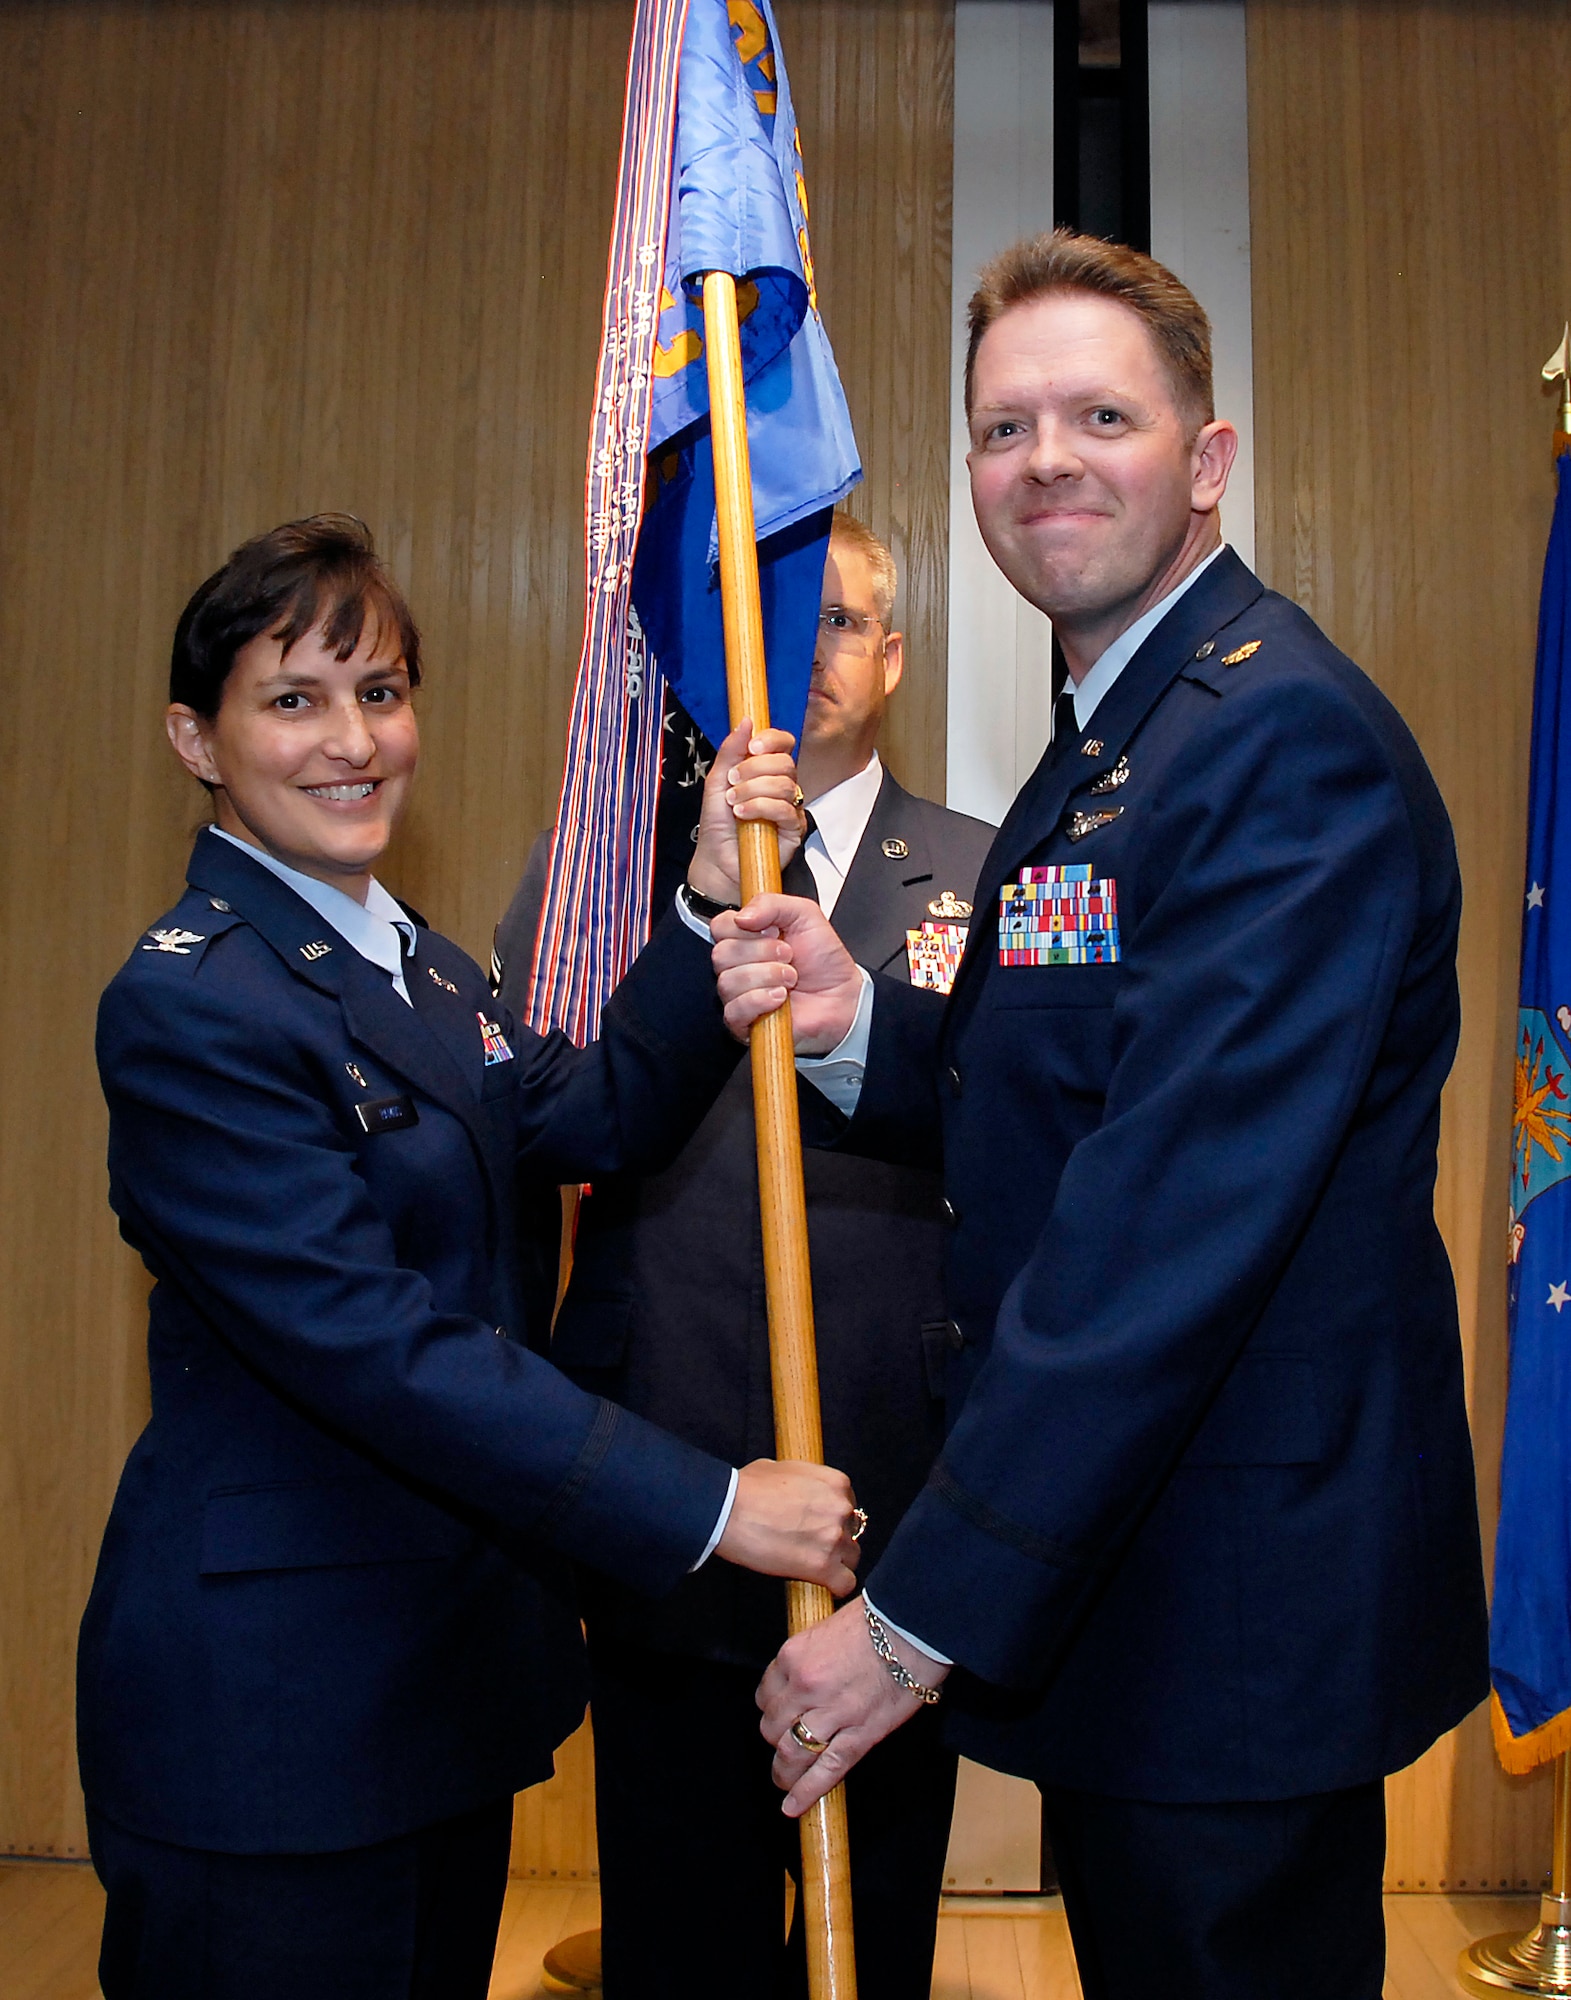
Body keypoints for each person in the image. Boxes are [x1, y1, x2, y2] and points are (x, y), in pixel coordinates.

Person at [715, 233, 1489, 2000]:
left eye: (1099, 416)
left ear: (1205, 461)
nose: (1044, 459)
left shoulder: (1276, 741)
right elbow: (1066, 1079)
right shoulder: (1110, 738)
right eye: (1003, 430)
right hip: (1143, 1582)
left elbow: (1170, 1216)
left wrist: (907, 1629)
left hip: (1236, 1589)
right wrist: (857, 1027)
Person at [82, 515, 862, 2000]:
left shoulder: (420, 967)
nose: (353, 742)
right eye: (293, 699)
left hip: (440, 1695)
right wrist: (708, 1505)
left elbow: (598, 1111)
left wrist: (703, 899)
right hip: (274, 1727)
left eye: (380, 692)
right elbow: (379, 1351)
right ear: (197, 736)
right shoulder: (195, 1008)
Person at [494, 513, 994, 2000]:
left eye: (843, 620)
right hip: (668, 1475)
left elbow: (1034, 1142)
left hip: (897, 1493)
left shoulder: (984, 869)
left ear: (893, 655)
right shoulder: (604, 872)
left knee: (874, 1945)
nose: (812, 651)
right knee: (679, 1934)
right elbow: (541, 1115)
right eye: (777, 614)